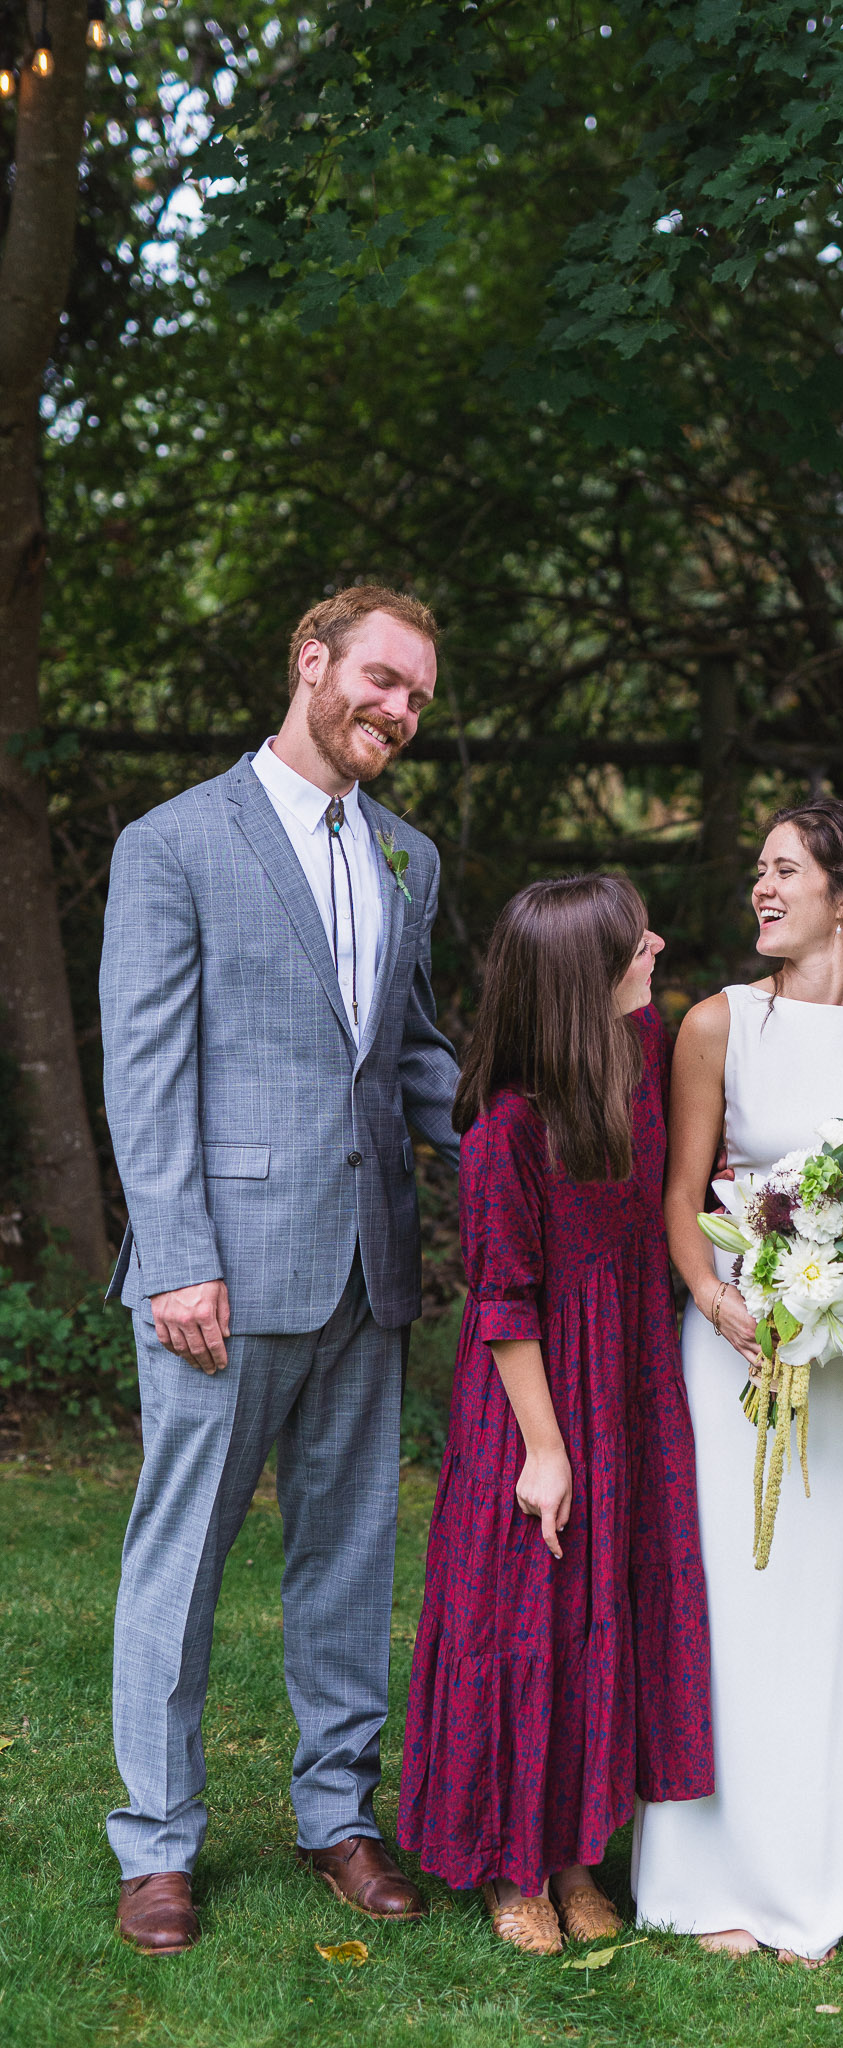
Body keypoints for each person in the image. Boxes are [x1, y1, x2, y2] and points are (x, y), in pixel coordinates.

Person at [99, 585, 460, 1956]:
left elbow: (412, 1053)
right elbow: (146, 1068)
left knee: (350, 1554)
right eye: (383, 678)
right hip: (222, 1278)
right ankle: (157, 1843)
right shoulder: (174, 842)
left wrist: (528, 1155)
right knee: (180, 1556)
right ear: (312, 663)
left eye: (418, 696)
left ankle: (337, 1815)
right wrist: (177, 1257)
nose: (399, 710)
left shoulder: (409, 855)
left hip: (370, 1265)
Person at [632, 798, 843, 1964]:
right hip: (733, 1349)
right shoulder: (718, 1021)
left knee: (837, 1607)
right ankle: (708, 1870)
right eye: (758, 870)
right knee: (731, 1599)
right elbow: (680, 1194)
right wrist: (718, 1303)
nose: (761, 889)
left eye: (786, 871)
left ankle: (830, 1867)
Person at [399, 876, 713, 1956]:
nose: (657, 943)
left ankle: (577, 1848)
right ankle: (510, 1863)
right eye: (634, 941)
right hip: (535, 1394)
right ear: (586, 974)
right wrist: (543, 1450)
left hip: (628, 1373)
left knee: (600, 1612)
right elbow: (502, 1303)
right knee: (523, 1619)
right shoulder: (506, 1125)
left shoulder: (643, 1054)